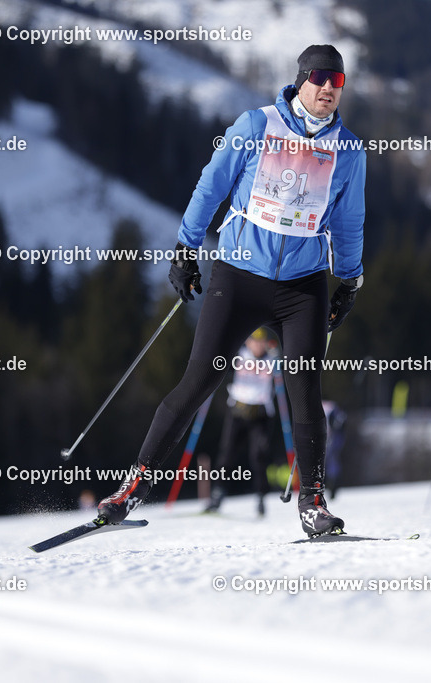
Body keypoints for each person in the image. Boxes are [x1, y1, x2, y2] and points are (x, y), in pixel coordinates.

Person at [96, 45, 366, 537]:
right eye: (321, 78)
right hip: (239, 274)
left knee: (304, 390)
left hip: (303, 286)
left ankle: (313, 502)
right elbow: (211, 187)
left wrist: (348, 279)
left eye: (339, 81)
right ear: (301, 80)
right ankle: (133, 487)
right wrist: (185, 248)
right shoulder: (255, 126)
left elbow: (349, 221)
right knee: (199, 382)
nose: (330, 88)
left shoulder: (347, 150)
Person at [205, 329, 277, 515]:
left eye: (261, 342)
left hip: (260, 415)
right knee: (226, 454)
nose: (257, 346)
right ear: (248, 342)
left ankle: (261, 497)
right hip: (237, 412)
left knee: (259, 456)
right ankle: (217, 495)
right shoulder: (239, 357)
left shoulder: (272, 360)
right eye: (254, 341)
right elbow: (220, 366)